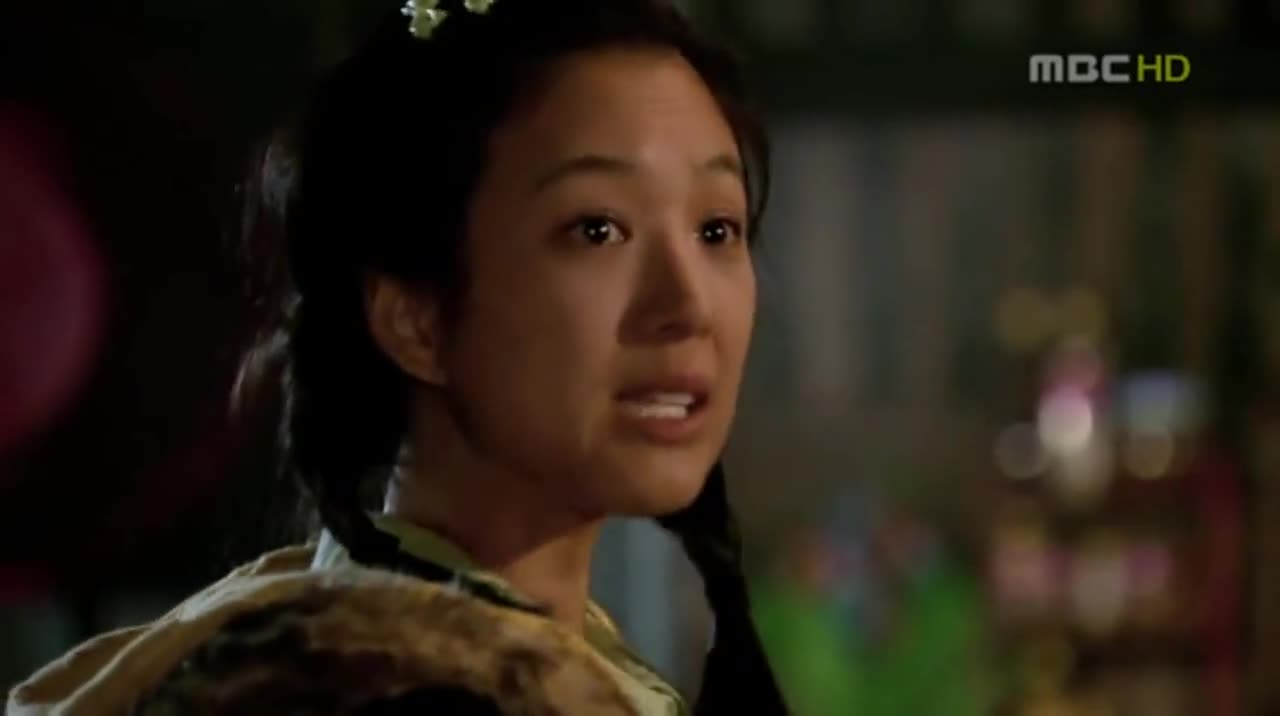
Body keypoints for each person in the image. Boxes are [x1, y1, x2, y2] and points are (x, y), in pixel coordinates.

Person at [7, 0, 786, 713]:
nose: (688, 304)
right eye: (597, 229)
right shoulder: (373, 683)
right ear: (417, 320)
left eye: (716, 229)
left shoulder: (477, 649)